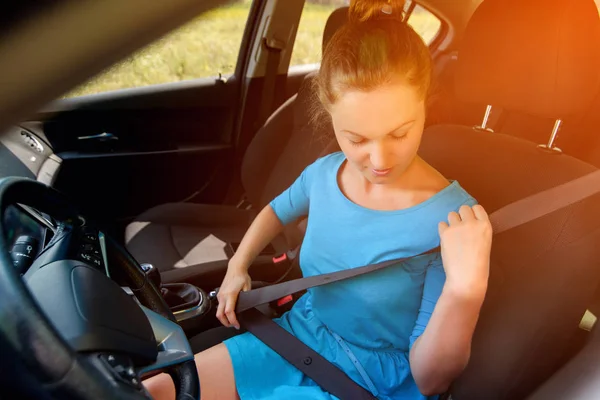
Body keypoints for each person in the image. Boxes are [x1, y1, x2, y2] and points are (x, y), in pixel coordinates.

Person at [145, 0, 492, 398]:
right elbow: (275, 210)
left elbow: (431, 379)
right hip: (303, 332)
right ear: (330, 118)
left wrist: (466, 289)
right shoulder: (326, 173)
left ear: (425, 103)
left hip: (371, 379)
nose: (379, 161)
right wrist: (238, 265)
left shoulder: (455, 219)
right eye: (356, 139)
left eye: (400, 133)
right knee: (155, 389)